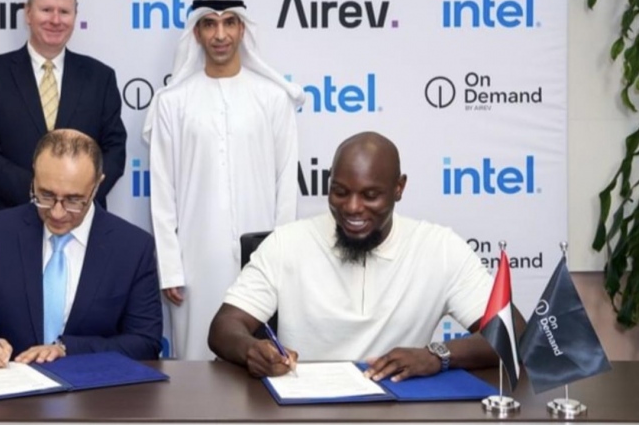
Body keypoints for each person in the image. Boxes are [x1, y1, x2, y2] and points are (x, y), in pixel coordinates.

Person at [209, 131, 514, 381]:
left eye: (370, 195)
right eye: (340, 192)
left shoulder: (439, 247)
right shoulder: (286, 242)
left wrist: (436, 356)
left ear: (399, 188)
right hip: (303, 410)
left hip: (400, 410)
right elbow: (224, 326)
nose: (352, 207)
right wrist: (251, 349)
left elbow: (511, 333)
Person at [143, 0, 303, 360]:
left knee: (259, 358)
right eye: (209, 24)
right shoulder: (172, 102)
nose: (220, 35)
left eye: (229, 23)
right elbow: (162, 192)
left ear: (242, 30)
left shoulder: (273, 98)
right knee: (195, 357)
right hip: (195, 260)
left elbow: (285, 186)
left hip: (262, 258)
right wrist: (170, 268)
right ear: (196, 33)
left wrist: (280, 260)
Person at [0, 129, 162, 366]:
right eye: (46, 196)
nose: (57, 213)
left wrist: (68, 349)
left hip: (92, 387)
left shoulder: (132, 247)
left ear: (96, 186)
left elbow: (145, 342)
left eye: (73, 200)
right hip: (13, 383)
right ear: (34, 177)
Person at [0, 0, 127, 253]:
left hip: (81, 229)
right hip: (7, 223)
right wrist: (43, 195)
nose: (55, 20)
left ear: (75, 16)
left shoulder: (100, 77)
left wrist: (76, 199)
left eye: (64, 11)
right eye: (46, 10)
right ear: (28, 13)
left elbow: (114, 151)